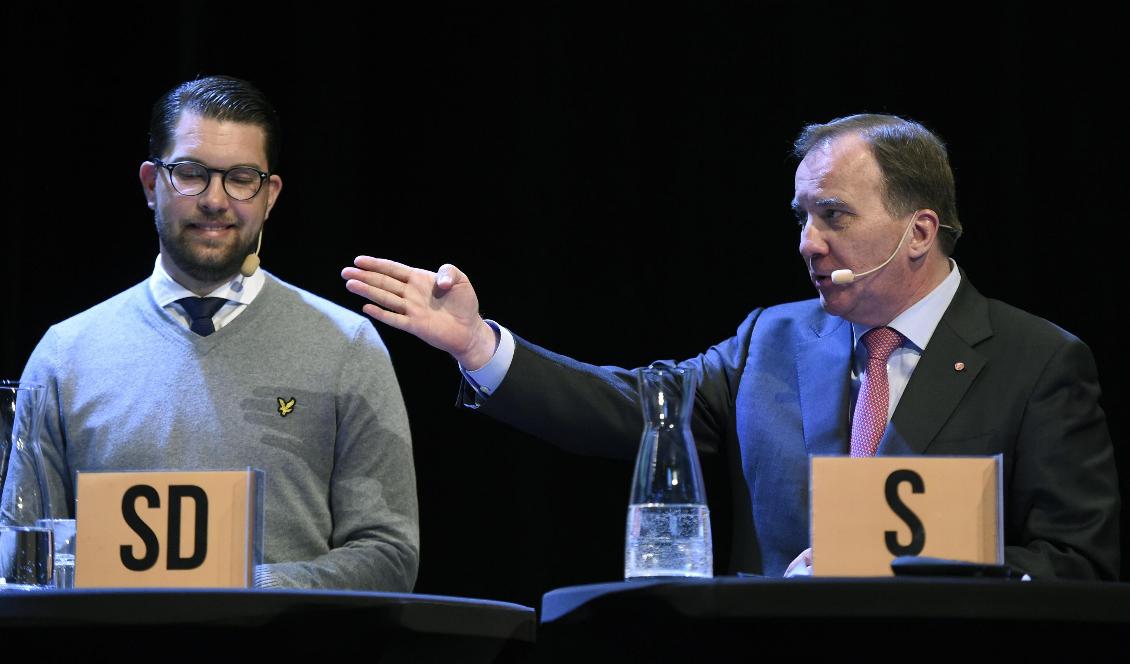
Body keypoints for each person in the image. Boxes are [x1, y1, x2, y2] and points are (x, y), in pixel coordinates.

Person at [341, 114, 1119, 581]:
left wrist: (921, 568)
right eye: (801, 217)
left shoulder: (1038, 361)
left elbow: (1079, 563)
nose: (809, 243)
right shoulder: (770, 340)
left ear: (919, 230)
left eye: (834, 216)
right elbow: (629, 409)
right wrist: (478, 344)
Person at [16, 75, 418, 590]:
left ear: (269, 195)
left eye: (242, 178)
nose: (215, 200)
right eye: (191, 173)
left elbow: (390, 556)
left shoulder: (347, 347)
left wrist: (246, 588)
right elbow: (23, 559)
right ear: (149, 183)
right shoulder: (64, 356)